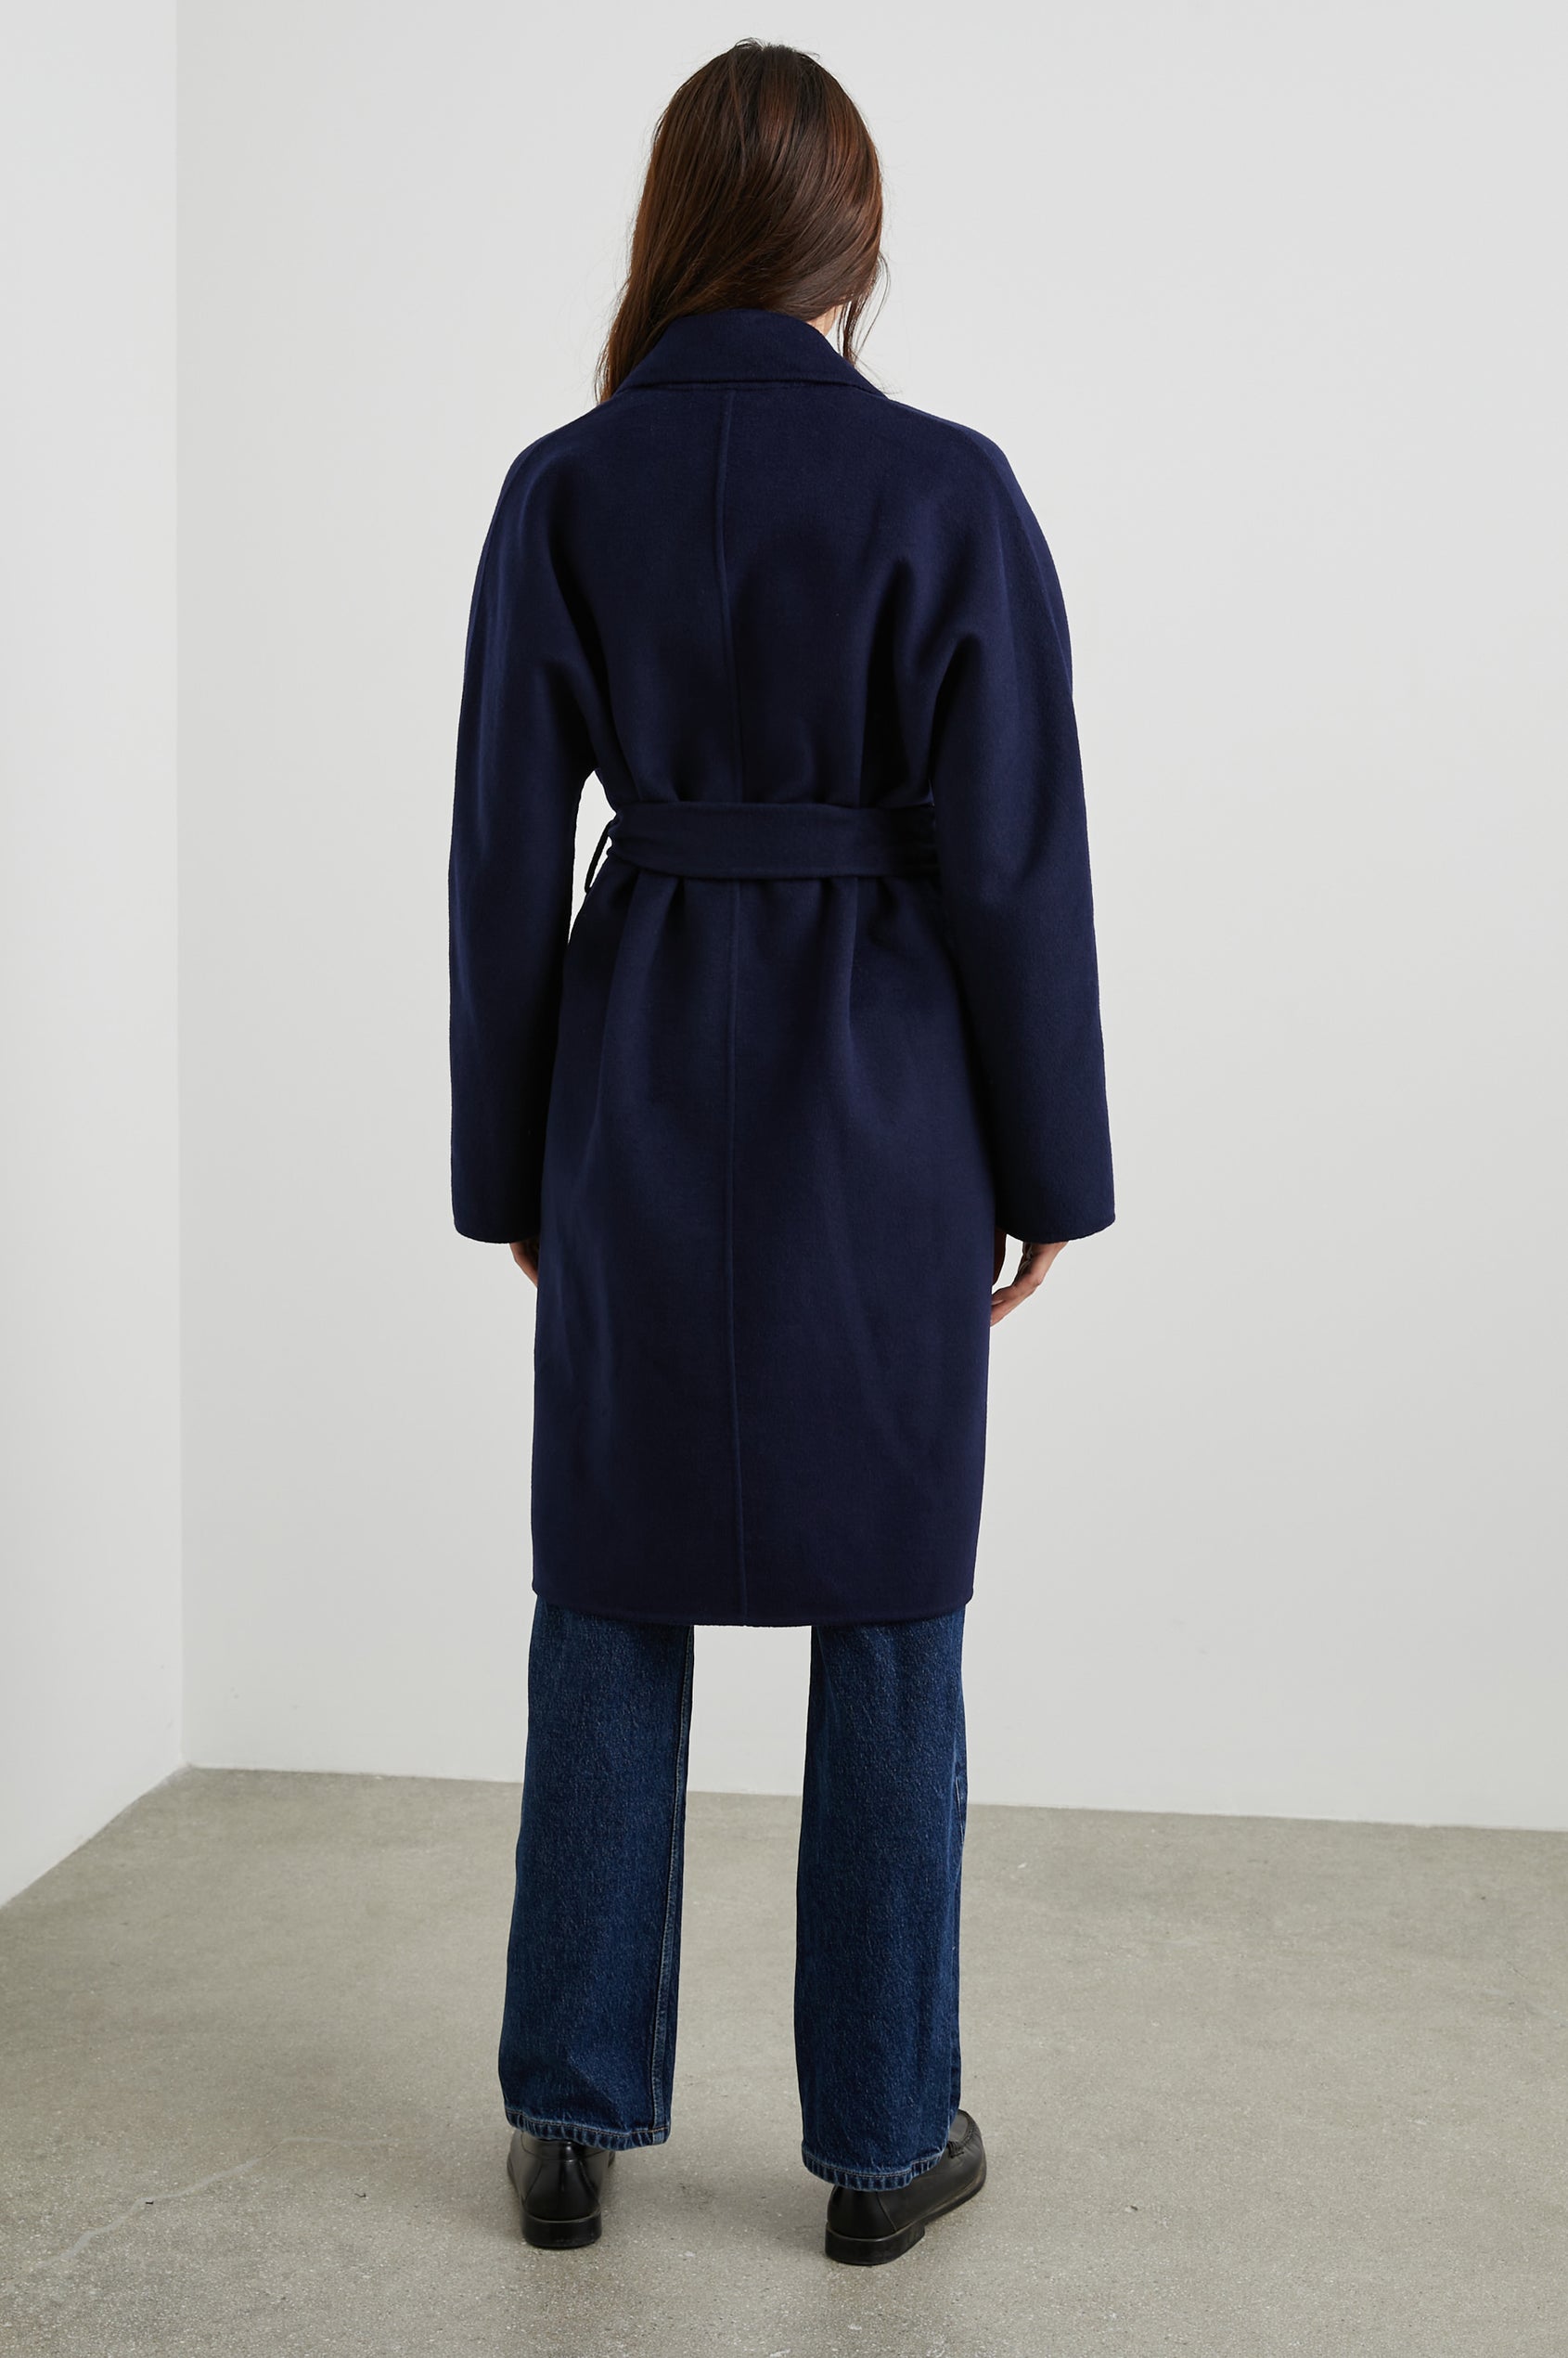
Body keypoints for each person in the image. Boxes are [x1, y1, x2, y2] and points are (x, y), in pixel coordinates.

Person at [447, 40, 1113, 2266]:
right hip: (884, 1102)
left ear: (673, 226)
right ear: (852, 233)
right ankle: (883, 2138)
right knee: (890, 1598)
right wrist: (1048, 1169)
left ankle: (566, 2116)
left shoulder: (561, 488)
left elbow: (496, 860)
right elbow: (1013, 861)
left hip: (633, 1078)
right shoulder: (947, 488)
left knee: (607, 1584)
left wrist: (509, 1170)